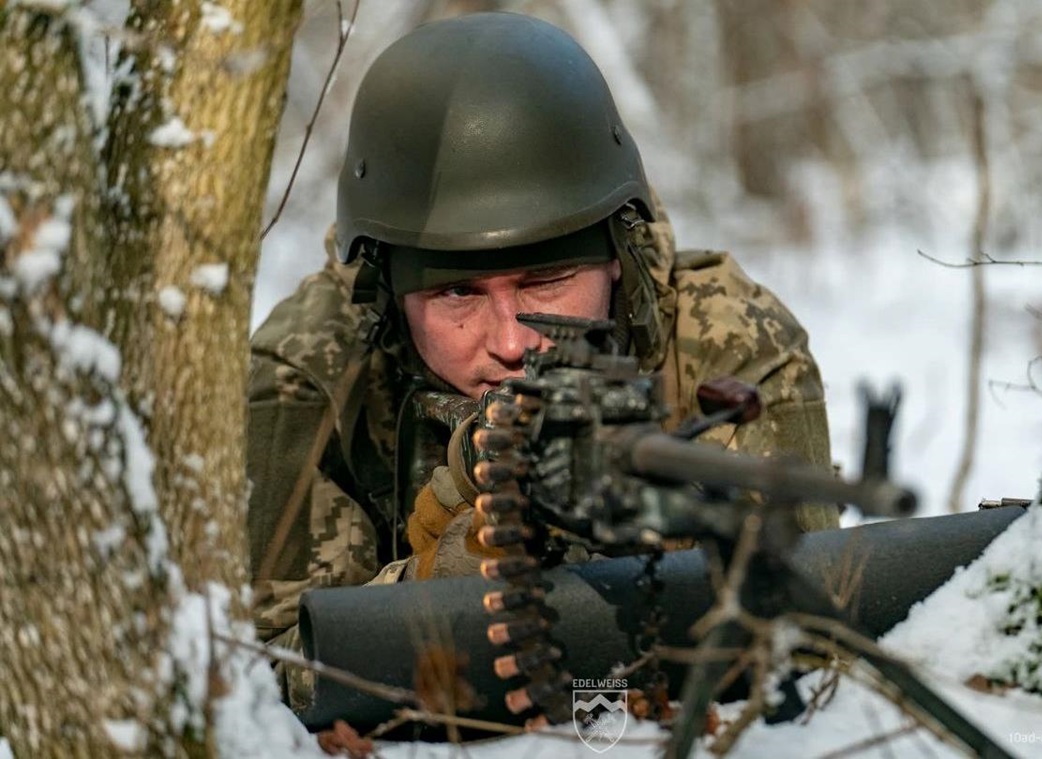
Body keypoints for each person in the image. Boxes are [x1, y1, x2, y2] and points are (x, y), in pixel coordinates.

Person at [247, 11, 838, 710]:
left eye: (547, 281)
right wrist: (436, 584)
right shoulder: (309, 373)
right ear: (388, 291)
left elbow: (813, 634)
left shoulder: (725, 339)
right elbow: (268, 677)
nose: (512, 340)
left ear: (618, 258)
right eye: (457, 292)